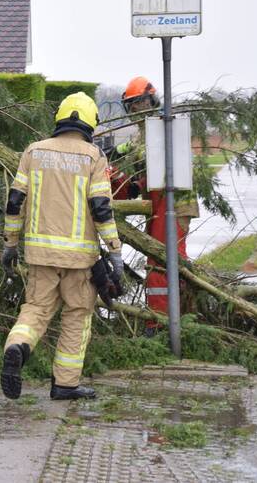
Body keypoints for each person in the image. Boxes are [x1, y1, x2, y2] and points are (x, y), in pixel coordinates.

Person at [0, 92, 124, 401]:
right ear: (91, 123)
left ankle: (17, 347)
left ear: (59, 119)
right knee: (77, 317)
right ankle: (65, 384)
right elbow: (101, 207)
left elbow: (15, 203)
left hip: (40, 255)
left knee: (35, 311)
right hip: (80, 260)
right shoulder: (93, 156)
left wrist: (10, 244)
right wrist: (115, 249)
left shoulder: (34, 151)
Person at [108, 76, 198, 332]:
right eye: (131, 105)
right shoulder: (148, 128)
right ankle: (167, 317)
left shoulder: (161, 127)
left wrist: (133, 181)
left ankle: (160, 323)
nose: (134, 110)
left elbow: (154, 161)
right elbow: (134, 149)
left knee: (163, 260)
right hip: (161, 200)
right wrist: (116, 152)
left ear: (148, 101)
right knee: (158, 256)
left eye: (136, 104)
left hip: (173, 201)